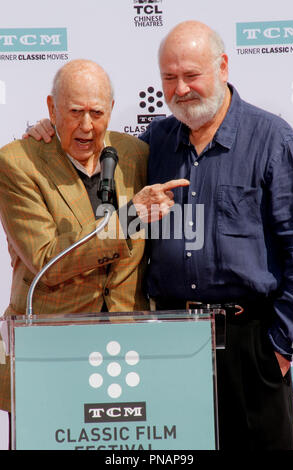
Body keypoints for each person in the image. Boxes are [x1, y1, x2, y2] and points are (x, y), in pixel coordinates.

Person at [23, 22, 293, 450]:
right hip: (170, 343)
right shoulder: (153, 144)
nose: (181, 89)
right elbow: (90, 150)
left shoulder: (272, 139)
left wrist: (280, 347)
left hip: (251, 347)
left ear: (223, 67)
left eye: (192, 75)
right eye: (169, 78)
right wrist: (47, 129)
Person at [0, 59, 188, 415]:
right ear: (51, 108)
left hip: (126, 355)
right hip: (50, 353)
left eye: (97, 113)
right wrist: (130, 217)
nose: (87, 126)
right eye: (74, 112)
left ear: (112, 110)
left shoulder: (135, 153)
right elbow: (46, 261)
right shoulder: (17, 163)